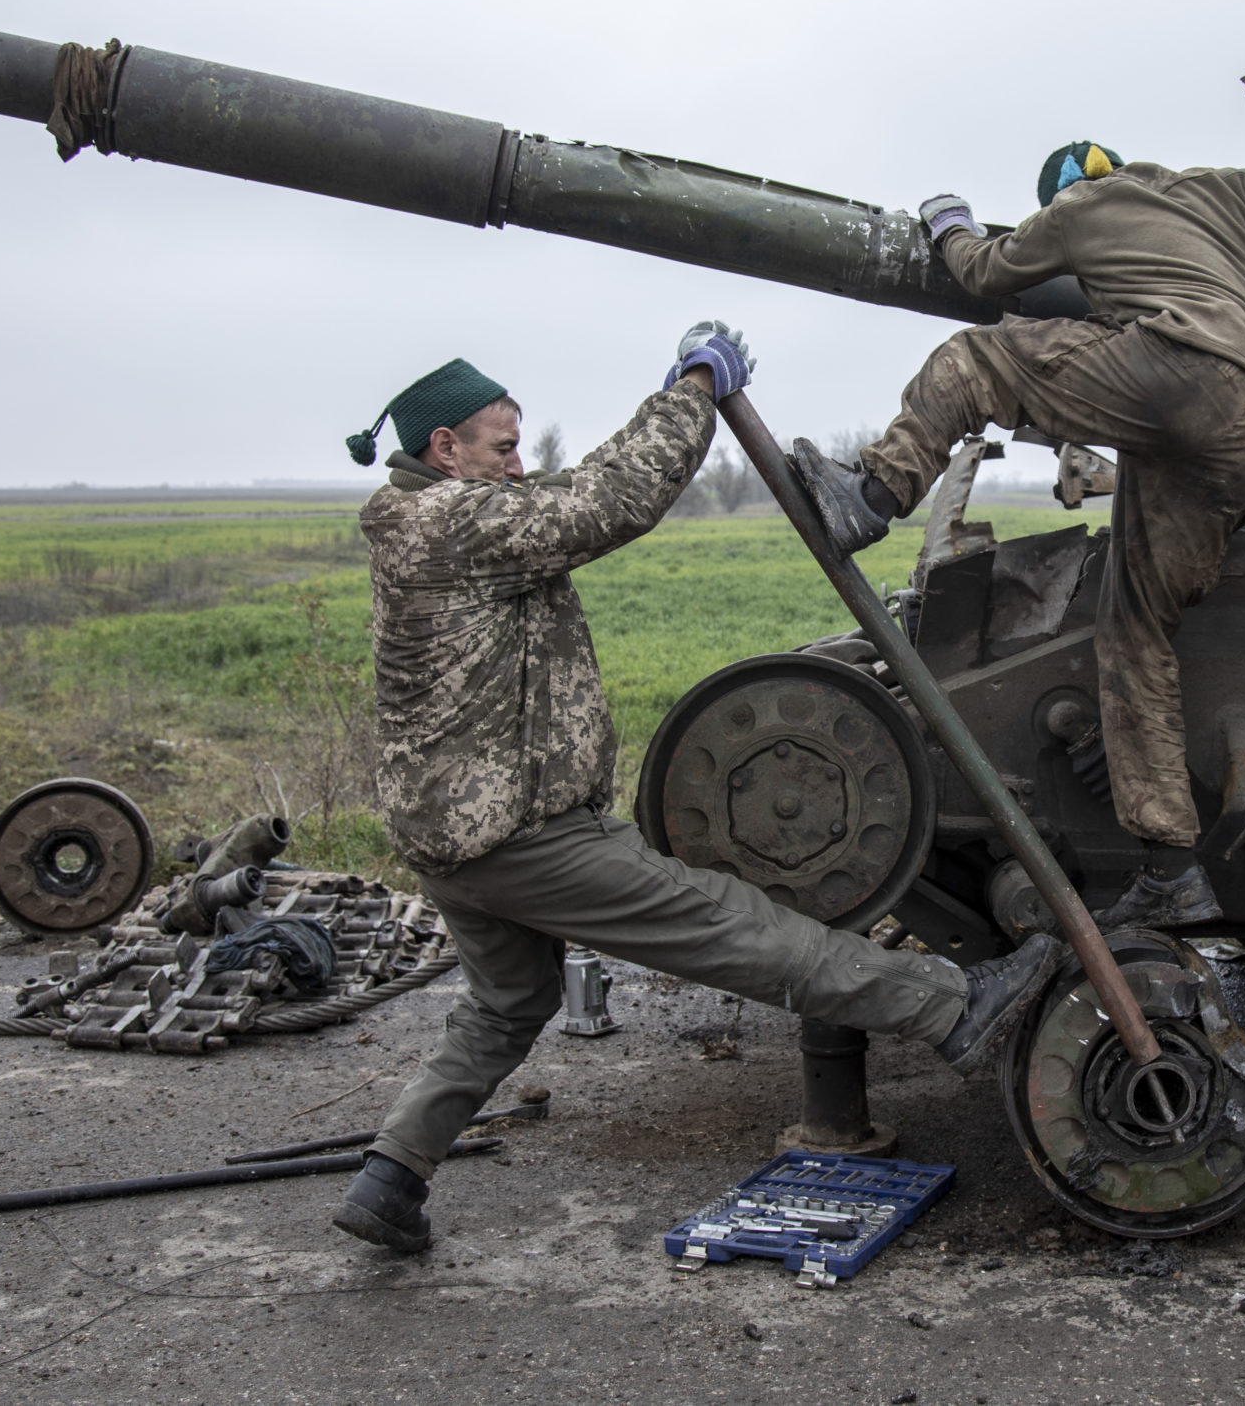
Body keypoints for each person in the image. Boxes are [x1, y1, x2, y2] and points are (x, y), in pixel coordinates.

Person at [331, 332, 1062, 1254]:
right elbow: (609, 499)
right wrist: (695, 390)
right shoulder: (455, 523)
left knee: (506, 1001)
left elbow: (580, 485)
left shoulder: (438, 516)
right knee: (734, 925)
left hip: (454, 838)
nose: (519, 465)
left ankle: (391, 1175)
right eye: (502, 446)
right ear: (445, 451)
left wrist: (665, 400)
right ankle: (955, 1006)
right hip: (517, 837)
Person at [792, 144, 1245, 931]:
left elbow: (987, 275)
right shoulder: (1225, 189)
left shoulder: (1079, 209)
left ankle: (873, 491)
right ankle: (1171, 872)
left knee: (974, 361)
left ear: (1064, 191)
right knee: (1135, 633)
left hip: (1176, 376)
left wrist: (948, 222)